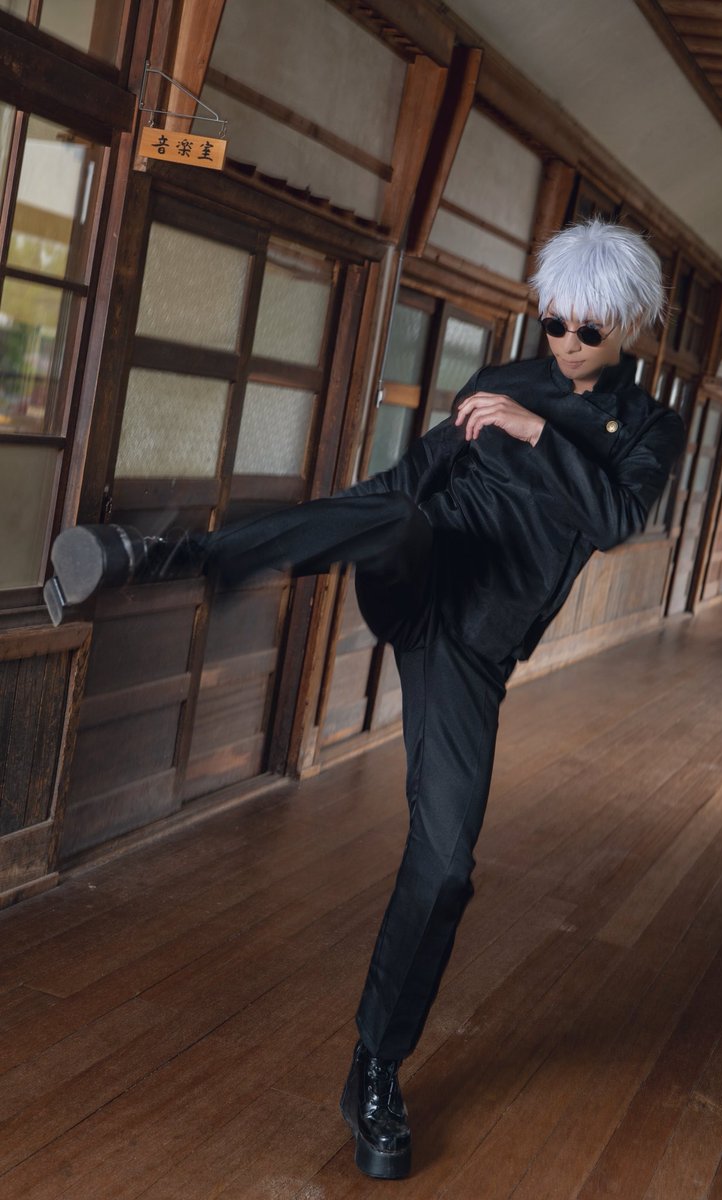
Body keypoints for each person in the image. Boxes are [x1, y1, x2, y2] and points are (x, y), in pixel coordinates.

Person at [45, 218, 685, 1181]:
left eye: (587, 330)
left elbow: (614, 517)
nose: (564, 341)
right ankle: (170, 556)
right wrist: (423, 466)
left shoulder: (647, 427)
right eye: (553, 321)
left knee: (448, 864)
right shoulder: (499, 381)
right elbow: (402, 481)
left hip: (475, 647)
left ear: (630, 325)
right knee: (392, 512)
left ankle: (375, 1067)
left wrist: (533, 432)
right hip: (423, 569)